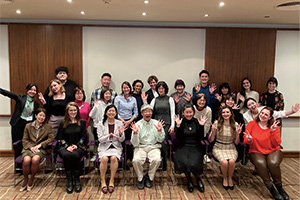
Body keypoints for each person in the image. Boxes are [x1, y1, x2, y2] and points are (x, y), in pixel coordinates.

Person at [244, 107, 288, 200]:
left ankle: (280, 187)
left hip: (273, 150)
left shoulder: (274, 126)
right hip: (256, 151)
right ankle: (271, 188)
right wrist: (249, 140)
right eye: (262, 113)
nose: (263, 116)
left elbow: (277, 143)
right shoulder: (252, 124)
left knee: (273, 163)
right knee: (261, 164)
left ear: (270, 117)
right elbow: (246, 140)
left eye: (266, 115)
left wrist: (272, 132)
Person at [0, 84, 39, 166]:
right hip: (18, 124)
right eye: (30, 89)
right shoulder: (20, 98)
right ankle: (18, 166)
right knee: (17, 144)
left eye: (34, 90)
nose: (32, 91)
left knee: (27, 144)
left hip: (28, 126)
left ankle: (27, 165)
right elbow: (9, 94)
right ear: (27, 90)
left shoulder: (36, 104)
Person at [130, 104, 165, 189]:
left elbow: (160, 140)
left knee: (156, 160)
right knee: (136, 160)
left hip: (154, 147)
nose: (147, 113)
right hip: (140, 147)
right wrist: (135, 134)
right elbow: (135, 144)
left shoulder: (157, 123)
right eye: (145, 111)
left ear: (152, 113)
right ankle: (141, 178)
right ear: (142, 113)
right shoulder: (137, 124)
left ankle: (149, 177)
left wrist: (159, 131)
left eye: (149, 111)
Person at [173, 104, 207, 192]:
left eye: (190, 112)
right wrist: (178, 126)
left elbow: (201, 137)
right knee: (185, 161)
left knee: (194, 161)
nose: (189, 114)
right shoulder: (181, 122)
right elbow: (178, 138)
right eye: (186, 112)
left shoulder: (196, 121)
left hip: (195, 146)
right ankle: (189, 180)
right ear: (183, 113)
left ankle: (198, 178)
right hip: (183, 145)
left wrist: (202, 126)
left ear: (193, 113)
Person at [19, 108, 54, 192]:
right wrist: (31, 147)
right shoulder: (28, 126)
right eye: (40, 115)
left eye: (44, 116)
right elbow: (25, 139)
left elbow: (51, 138)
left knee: (35, 159)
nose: (42, 117)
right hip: (28, 148)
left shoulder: (48, 127)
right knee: (26, 160)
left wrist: (40, 145)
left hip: (40, 149)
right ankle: (25, 179)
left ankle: (31, 179)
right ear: (35, 115)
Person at [208, 105, 243, 190]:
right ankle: (224, 178)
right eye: (223, 112)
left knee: (231, 161)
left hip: (231, 147)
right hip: (219, 147)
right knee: (224, 162)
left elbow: (236, 142)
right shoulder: (216, 123)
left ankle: (229, 178)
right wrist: (212, 132)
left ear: (231, 113)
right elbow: (210, 140)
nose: (225, 114)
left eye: (227, 112)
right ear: (221, 114)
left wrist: (238, 134)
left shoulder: (235, 124)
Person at [57, 102, 87, 194]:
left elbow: (83, 137)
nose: (73, 112)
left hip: (79, 147)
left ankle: (77, 180)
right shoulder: (63, 123)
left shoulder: (82, 122)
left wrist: (76, 145)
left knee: (74, 154)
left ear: (77, 111)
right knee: (67, 155)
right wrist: (67, 146)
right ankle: (69, 180)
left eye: (75, 110)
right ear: (67, 111)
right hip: (65, 147)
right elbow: (60, 138)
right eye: (71, 110)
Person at [97, 105, 126, 194]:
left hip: (116, 147)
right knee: (104, 159)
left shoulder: (119, 123)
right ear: (106, 112)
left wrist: (121, 134)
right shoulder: (100, 124)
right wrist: (109, 135)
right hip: (104, 146)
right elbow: (100, 139)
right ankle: (103, 181)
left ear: (116, 113)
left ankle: (111, 181)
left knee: (114, 158)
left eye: (113, 111)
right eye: (109, 111)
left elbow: (122, 140)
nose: (111, 113)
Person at [150, 81, 175, 170]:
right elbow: (149, 112)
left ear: (165, 89)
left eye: (162, 88)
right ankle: (156, 162)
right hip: (156, 125)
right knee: (156, 143)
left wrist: (172, 126)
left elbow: (172, 113)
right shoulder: (154, 100)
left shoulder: (170, 99)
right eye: (159, 88)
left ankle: (164, 164)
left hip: (167, 124)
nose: (161, 90)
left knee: (164, 144)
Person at [114, 81, 138, 162]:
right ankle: (122, 160)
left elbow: (136, 112)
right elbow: (115, 112)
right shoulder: (118, 98)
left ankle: (130, 159)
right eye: (124, 88)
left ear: (130, 88)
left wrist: (129, 121)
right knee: (122, 140)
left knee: (131, 141)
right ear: (122, 89)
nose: (126, 89)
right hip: (120, 122)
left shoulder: (133, 99)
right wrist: (123, 121)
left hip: (130, 122)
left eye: (127, 87)